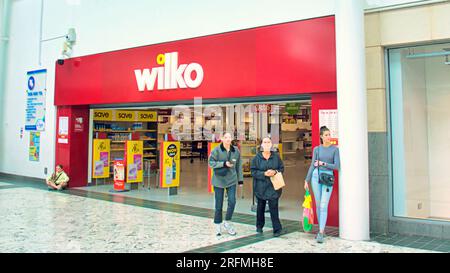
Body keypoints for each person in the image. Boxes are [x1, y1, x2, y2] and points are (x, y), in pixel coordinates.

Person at [304, 126, 340, 243]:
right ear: (321, 136)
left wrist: (323, 163)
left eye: (329, 134)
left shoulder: (335, 149)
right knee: (319, 204)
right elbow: (312, 165)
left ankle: (320, 232)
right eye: (326, 135)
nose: (328, 137)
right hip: (315, 176)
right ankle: (321, 229)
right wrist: (306, 180)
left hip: (327, 178)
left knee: (324, 205)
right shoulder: (316, 149)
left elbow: (337, 166)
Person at [209, 132, 243, 236]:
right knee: (218, 204)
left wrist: (240, 180)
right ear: (222, 139)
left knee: (232, 201)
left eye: (230, 137)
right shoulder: (216, 150)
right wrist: (223, 164)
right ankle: (218, 224)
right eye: (226, 137)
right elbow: (211, 163)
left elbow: (239, 166)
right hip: (218, 180)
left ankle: (227, 221)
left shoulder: (236, 151)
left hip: (231, 180)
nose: (228, 139)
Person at [251, 137, 284, 237]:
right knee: (260, 208)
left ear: (271, 144)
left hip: (273, 187)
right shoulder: (256, 158)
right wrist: (264, 174)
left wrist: (275, 172)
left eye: (268, 142)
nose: (266, 144)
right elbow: (253, 171)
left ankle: (277, 229)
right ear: (261, 145)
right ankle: (259, 226)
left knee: (274, 208)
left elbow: (281, 169)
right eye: (264, 142)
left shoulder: (276, 157)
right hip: (260, 187)